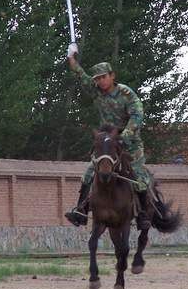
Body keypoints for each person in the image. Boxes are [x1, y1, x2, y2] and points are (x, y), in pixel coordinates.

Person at [64, 43, 152, 230]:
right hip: (107, 141)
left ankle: (143, 215)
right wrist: (71, 57)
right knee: (89, 171)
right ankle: (80, 211)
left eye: (104, 77)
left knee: (139, 176)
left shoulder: (126, 93)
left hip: (129, 141)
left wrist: (126, 134)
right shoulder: (96, 91)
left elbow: (137, 115)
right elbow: (80, 74)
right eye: (98, 79)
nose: (100, 81)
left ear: (112, 76)